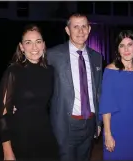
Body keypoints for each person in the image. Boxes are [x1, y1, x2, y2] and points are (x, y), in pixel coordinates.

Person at [0, 24, 57, 160]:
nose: (34, 47)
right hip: (20, 136)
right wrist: (7, 150)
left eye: (38, 42)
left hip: (45, 135)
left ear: (44, 45)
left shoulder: (50, 71)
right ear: (21, 47)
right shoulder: (13, 72)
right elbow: (2, 113)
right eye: (28, 43)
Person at [46, 13, 103, 161]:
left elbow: (97, 91)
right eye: (75, 26)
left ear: (89, 29)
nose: (80, 31)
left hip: (89, 122)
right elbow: (36, 77)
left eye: (84, 26)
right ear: (67, 30)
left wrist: (98, 121)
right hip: (65, 124)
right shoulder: (52, 55)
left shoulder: (97, 57)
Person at [99, 30, 133, 160]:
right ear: (118, 50)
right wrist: (107, 134)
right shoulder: (110, 70)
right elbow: (106, 104)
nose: (126, 49)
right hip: (115, 126)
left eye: (129, 44)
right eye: (122, 46)